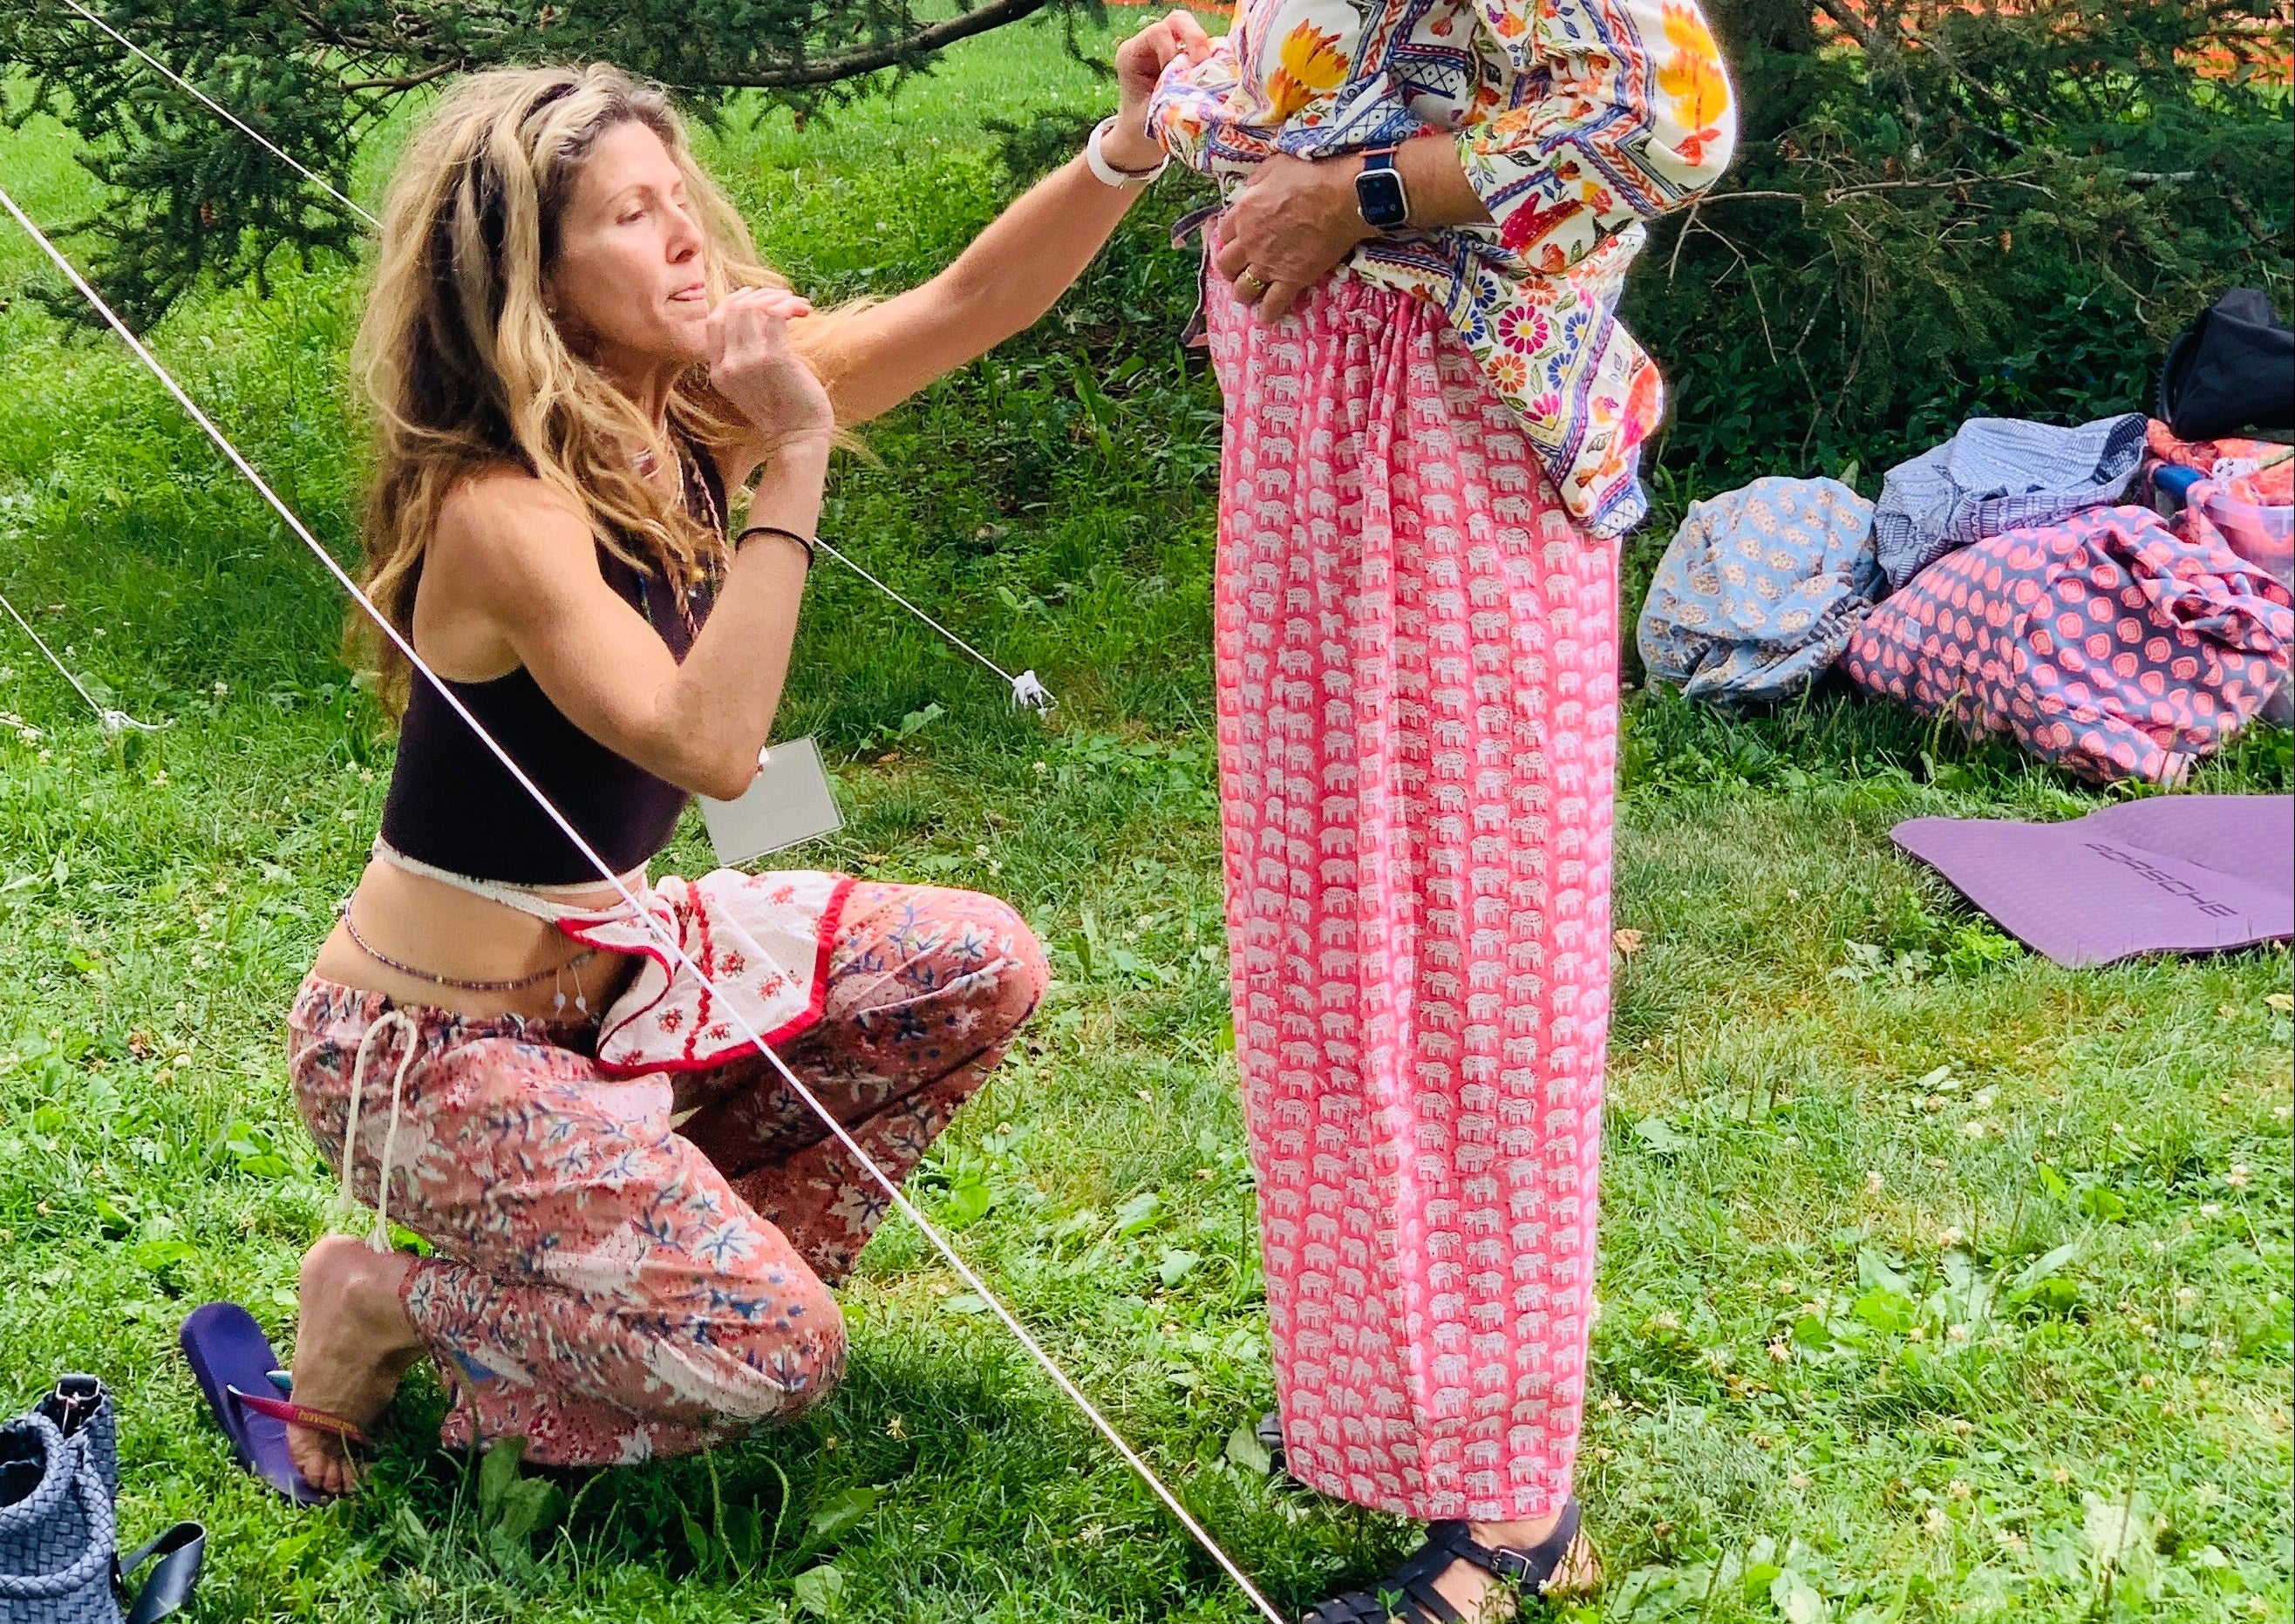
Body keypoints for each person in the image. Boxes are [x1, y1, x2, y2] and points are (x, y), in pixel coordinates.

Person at [274, 26, 1211, 1498]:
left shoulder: (690, 406)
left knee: (978, 964)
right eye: (630, 218)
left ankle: (652, 1273)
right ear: (536, 278)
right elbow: (714, 754)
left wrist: (1131, 144)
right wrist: (802, 459)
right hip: (431, 1059)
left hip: (623, 971)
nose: (684, 238)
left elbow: (974, 301)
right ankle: (388, 1302)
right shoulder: (498, 510)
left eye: (679, 198)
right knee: (777, 1355)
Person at [1144, 1, 1734, 1617]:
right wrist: (1203, 92)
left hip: (1447, 446)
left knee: (1472, 965)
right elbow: (1340, 90)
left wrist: (1365, 202)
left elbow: (1669, 119)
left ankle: (1512, 1509)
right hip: (1321, 442)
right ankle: (1394, 1413)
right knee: (1334, 952)